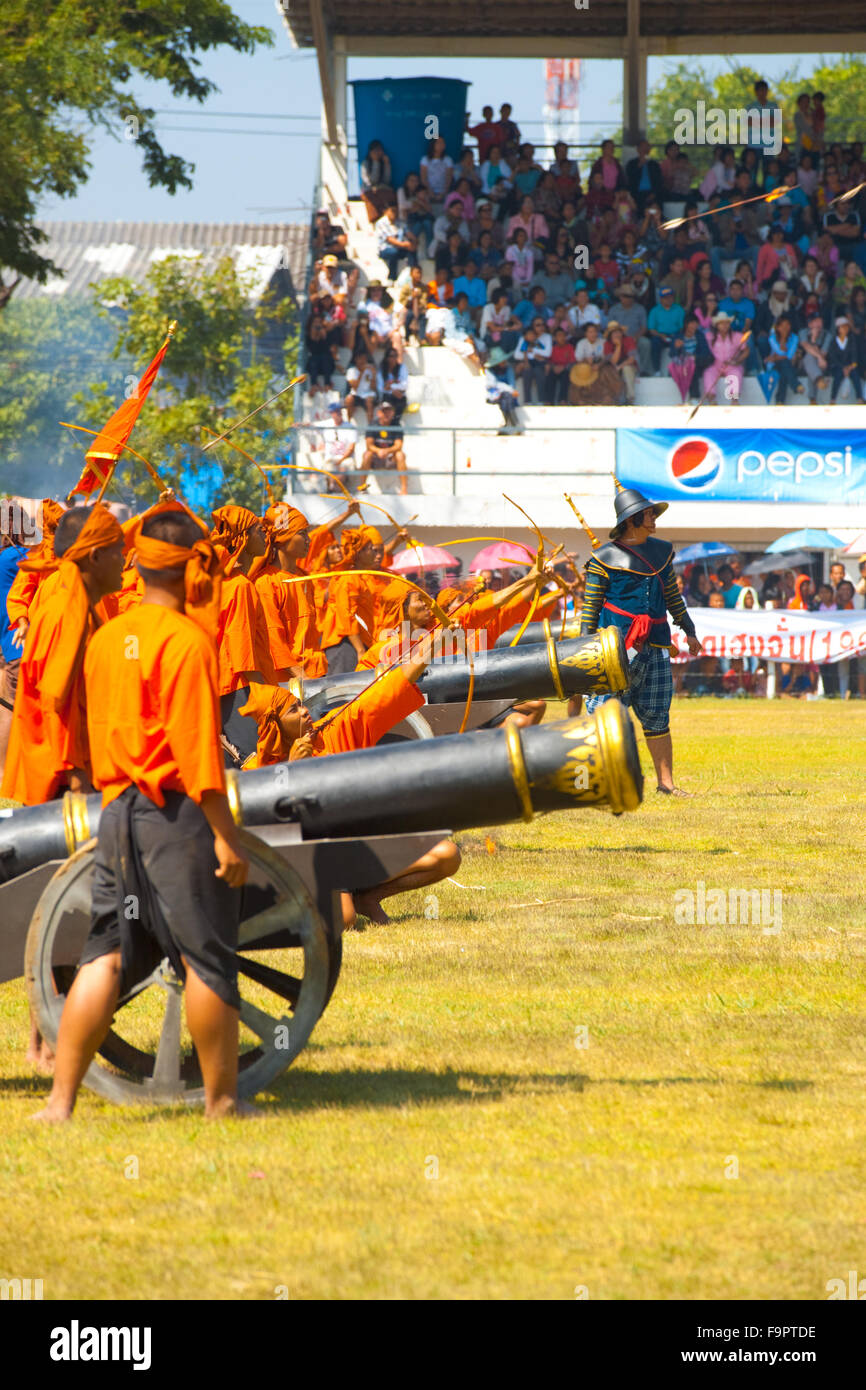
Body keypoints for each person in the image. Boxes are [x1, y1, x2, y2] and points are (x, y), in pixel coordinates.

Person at [33, 506, 253, 1123]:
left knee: (105, 951)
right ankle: (221, 1103)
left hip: (116, 813)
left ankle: (59, 1104)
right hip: (173, 813)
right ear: (192, 570)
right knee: (207, 958)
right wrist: (227, 836)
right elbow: (197, 754)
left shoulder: (107, 639)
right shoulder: (186, 642)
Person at [581, 485, 702, 796]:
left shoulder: (662, 552)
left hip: (656, 647)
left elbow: (673, 597)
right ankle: (597, 784)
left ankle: (666, 785)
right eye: (649, 513)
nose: (654, 518)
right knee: (604, 719)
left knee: (657, 717)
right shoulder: (602, 559)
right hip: (613, 651)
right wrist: (585, 651)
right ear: (633, 518)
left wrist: (689, 631)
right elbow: (590, 610)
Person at [1, 504, 124, 807]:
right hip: (64, 787)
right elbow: (57, 708)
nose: (124, 559)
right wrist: (81, 788)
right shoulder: (65, 612)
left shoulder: (82, 605)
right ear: (94, 556)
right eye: (118, 550)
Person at [360, 401, 408, 495]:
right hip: (376, 457)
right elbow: (369, 445)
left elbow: (399, 445)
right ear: (379, 413)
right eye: (384, 411)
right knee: (366, 455)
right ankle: (362, 487)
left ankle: (404, 489)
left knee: (400, 455)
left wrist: (387, 451)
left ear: (393, 413)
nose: (386, 414)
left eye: (389, 411)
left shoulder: (396, 425)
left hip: (390, 457)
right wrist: (379, 451)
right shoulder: (373, 425)